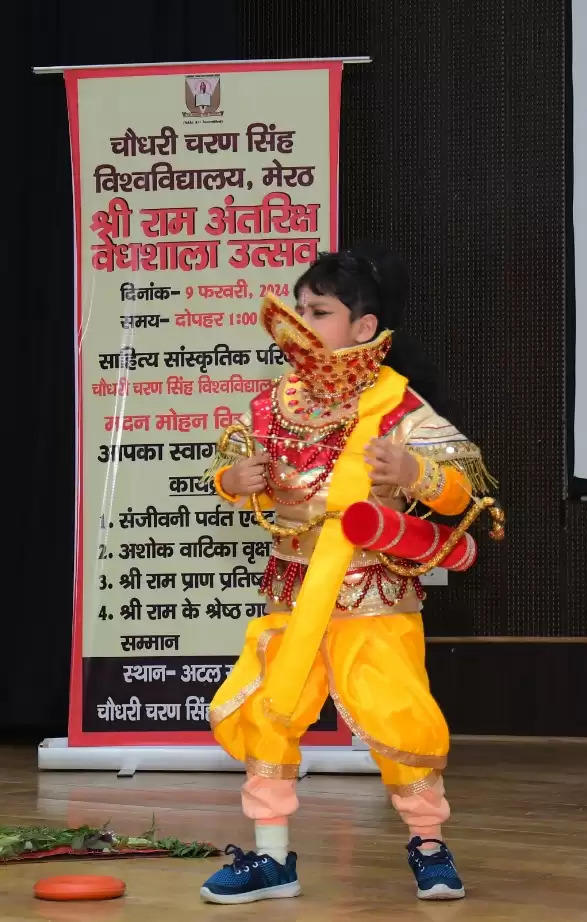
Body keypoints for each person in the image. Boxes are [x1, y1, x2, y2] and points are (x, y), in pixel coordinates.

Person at [199, 250, 497, 904]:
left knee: (400, 720)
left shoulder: (397, 405)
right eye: (299, 309)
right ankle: (273, 858)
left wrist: (416, 476)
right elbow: (236, 475)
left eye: (320, 312)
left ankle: (429, 846)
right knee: (270, 717)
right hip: (292, 591)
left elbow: (465, 489)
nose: (303, 323)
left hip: (374, 594)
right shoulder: (274, 403)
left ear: (362, 328)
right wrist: (236, 483)